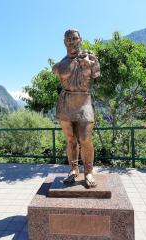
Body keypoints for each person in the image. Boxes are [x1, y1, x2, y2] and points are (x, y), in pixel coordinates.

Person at [52, 29, 100, 188]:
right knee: (71, 139)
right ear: (64, 42)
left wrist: (92, 63)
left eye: (75, 38)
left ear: (80, 40)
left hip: (84, 102)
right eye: (68, 39)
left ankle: (88, 172)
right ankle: (73, 170)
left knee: (85, 139)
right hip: (66, 104)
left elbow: (95, 75)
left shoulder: (90, 59)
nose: (72, 42)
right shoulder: (59, 65)